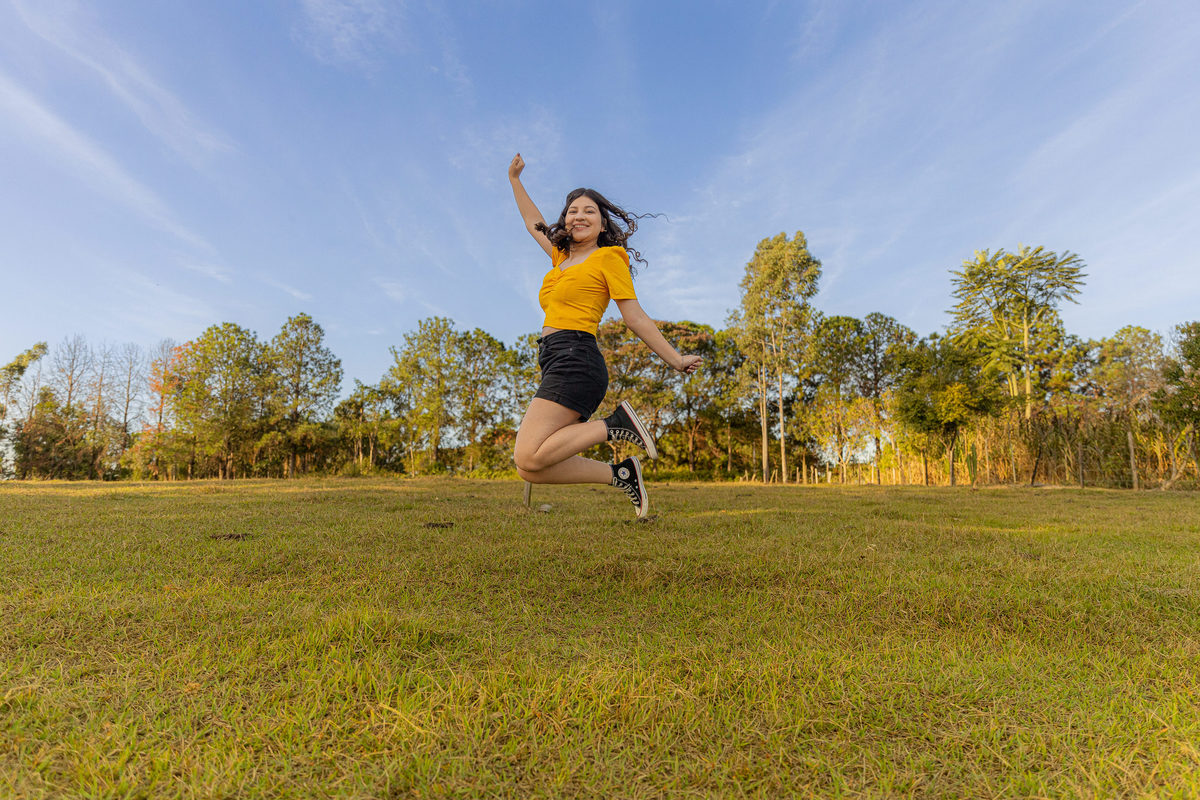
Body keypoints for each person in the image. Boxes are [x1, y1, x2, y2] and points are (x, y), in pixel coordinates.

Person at [508, 153, 702, 519]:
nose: (579, 216)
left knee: (527, 453)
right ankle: (621, 474)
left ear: (601, 224)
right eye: (572, 211)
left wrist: (676, 359)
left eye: (589, 211)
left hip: (576, 357)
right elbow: (533, 223)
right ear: (565, 220)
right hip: (554, 357)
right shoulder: (561, 258)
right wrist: (515, 180)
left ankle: (617, 424)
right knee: (530, 466)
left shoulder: (609, 258)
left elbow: (634, 316)